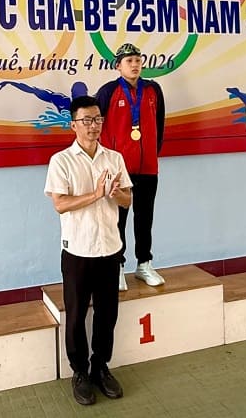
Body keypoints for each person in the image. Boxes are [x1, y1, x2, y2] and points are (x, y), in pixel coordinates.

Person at [45, 95, 132, 406]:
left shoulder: (115, 158)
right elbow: (60, 204)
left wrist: (116, 192)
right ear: (73, 124)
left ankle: (101, 367)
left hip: (110, 248)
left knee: (107, 314)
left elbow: (127, 202)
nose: (93, 126)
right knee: (77, 315)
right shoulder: (62, 161)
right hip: (78, 251)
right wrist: (96, 194)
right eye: (86, 120)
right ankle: (79, 372)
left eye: (97, 119)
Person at [95, 43, 166, 290]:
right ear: (118, 66)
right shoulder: (107, 92)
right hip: (118, 170)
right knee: (117, 219)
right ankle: (117, 266)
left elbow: (160, 125)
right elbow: (96, 128)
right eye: (129, 61)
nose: (134, 64)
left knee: (145, 217)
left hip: (147, 167)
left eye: (137, 60)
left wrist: (151, 155)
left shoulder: (153, 90)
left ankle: (144, 263)